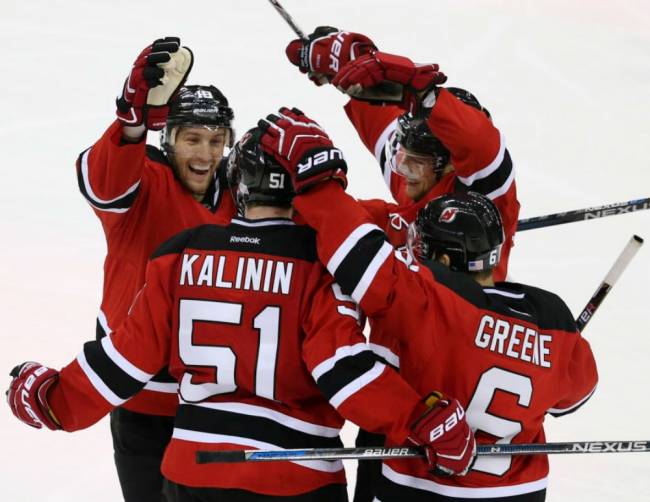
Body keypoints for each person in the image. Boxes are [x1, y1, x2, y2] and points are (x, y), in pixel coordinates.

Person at [8, 127, 477, 501]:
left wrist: (57, 402)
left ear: (237, 182)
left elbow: (127, 358)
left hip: (193, 474)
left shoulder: (180, 255)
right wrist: (419, 419)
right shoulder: (320, 264)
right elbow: (341, 368)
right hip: (297, 481)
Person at [256, 107, 599, 501]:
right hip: (519, 493)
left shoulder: (432, 299)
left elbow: (358, 254)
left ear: (447, 261)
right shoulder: (552, 315)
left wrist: (316, 182)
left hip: (420, 487)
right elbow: (575, 395)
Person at [75, 36, 237, 501]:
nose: (205, 154)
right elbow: (103, 183)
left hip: (215, 401)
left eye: (215, 140)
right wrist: (130, 126)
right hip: (138, 394)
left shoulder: (241, 191)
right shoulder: (142, 179)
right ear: (167, 140)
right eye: (191, 139)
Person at [285, 28, 519, 282]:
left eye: (417, 162)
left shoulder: (484, 200)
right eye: (402, 154)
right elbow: (374, 99)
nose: (403, 168)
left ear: (453, 163)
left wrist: (424, 95)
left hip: (462, 316)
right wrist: (345, 65)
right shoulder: (415, 175)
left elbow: (479, 141)